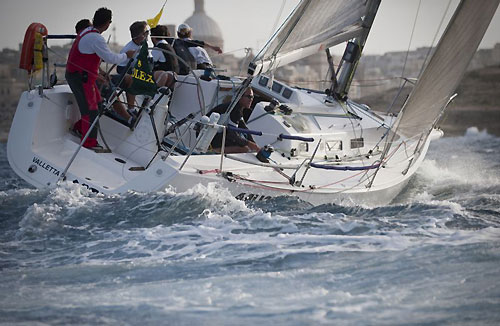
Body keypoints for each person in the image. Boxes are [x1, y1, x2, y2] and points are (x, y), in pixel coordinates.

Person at [66, 7, 135, 150]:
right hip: (82, 78)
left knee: (98, 105)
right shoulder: (96, 38)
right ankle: (89, 142)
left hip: (81, 76)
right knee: (90, 109)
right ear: (108, 23)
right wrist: (126, 55)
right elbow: (110, 58)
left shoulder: (87, 32)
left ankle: (79, 128)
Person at [209, 87, 260, 153]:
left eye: (253, 97)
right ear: (239, 97)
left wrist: (254, 144)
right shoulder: (235, 110)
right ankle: (213, 152)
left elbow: (244, 128)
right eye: (249, 97)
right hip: (211, 137)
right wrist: (249, 144)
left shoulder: (237, 107)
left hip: (214, 134)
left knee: (242, 142)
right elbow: (232, 134)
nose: (251, 99)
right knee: (244, 149)